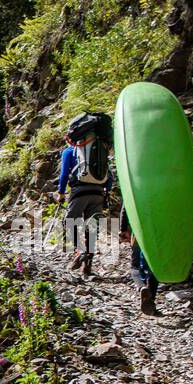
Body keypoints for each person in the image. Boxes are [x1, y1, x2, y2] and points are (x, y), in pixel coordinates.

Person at [54, 116, 113, 278]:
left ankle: (79, 250)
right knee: (92, 229)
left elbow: (64, 174)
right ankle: (87, 266)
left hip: (79, 191)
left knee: (69, 221)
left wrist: (61, 193)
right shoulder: (101, 149)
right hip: (98, 193)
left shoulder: (69, 152)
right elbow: (111, 177)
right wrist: (104, 191)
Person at [120, 205, 159, 315]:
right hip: (156, 234)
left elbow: (126, 206)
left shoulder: (136, 188)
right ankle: (151, 300)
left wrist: (123, 229)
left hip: (138, 233)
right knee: (153, 267)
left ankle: (142, 287)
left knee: (135, 267)